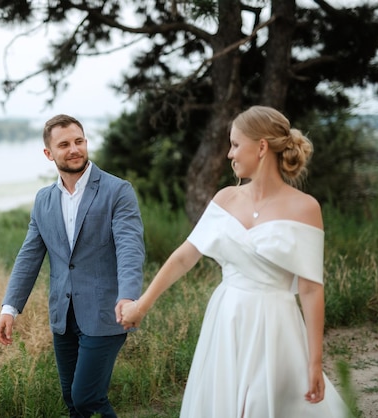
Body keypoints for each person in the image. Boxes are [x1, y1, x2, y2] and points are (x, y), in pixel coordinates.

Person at [120, 106, 352, 417]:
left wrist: (314, 360)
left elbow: (311, 290)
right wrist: (142, 304)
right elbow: (184, 257)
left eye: (235, 144)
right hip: (227, 319)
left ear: (261, 147)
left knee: (261, 406)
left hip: (275, 325)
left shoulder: (305, 208)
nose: (230, 154)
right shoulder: (224, 199)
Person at [0, 114, 145, 418]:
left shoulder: (118, 191)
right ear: (49, 153)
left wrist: (129, 296)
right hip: (63, 316)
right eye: (64, 144)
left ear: (86, 143)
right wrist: (9, 308)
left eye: (79, 141)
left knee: (86, 396)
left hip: (108, 312)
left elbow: (131, 248)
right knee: (72, 400)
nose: (74, 149)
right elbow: (29, 256)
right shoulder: (43, 200)